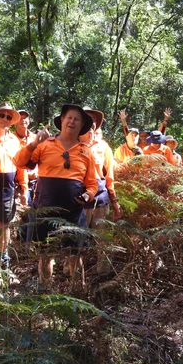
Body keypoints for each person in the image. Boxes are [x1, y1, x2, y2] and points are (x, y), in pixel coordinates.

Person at [13, 104, 98, 285]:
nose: (72, 121)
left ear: (82, 125)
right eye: (69, 117)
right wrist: (34, 143)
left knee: (74, 256)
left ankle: (77, 291)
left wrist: (87, 196)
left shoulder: (86, 152)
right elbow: (19, 161)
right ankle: (45, 292)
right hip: (44, 211)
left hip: (73, 214)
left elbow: (92, 184)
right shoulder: (45, 144)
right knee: (45, 255)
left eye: (77, 119)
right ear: (62, 120)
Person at [0, 102, 28, 269]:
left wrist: (23, 188)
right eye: (1, 115)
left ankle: (2, 259)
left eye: (9, 117)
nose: (5, 119)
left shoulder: (14, 141)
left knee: (5, 224)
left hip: (7, 189)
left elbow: (21, 165)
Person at [80, 107, 122, 273]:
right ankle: (73, 273)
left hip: (100, 197)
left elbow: (109, 176)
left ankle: (102, 272)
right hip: (79, 196)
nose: (91, 123)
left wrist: (114, 201)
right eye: (87, 119)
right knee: (77, 237)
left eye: (93, 120)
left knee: (102, 238)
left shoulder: (103, 147)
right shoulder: (72, 144)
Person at [13, 109, 38, 242]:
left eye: (25, 118)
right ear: (15, 122)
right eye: (20, 118)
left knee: (34, 211)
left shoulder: (35, 138)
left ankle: (31, 240)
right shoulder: (11, 138)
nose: (23, 120)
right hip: (18, 182)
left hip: (35, 181)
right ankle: (21, 240)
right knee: (23, 212)